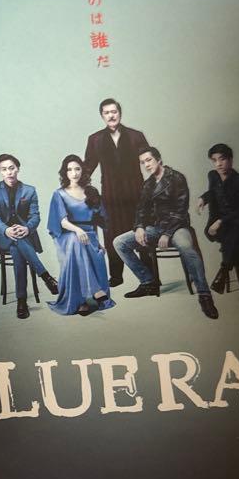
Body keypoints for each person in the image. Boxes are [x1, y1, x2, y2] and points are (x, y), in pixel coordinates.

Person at [112, 145, 219, 320]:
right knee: (119, 242)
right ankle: (148, 282)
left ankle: (204, 295)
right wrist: (139, 227)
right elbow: (141, 209)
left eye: (149, 160)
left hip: (178, 226)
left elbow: (181, 210)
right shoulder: (148, 184)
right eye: (142, 163)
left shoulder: (176, 178)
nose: (146, 165)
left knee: (186, 247)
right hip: (156, 228)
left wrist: (168, 233)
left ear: (159, 159)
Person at [82, 98, 150, 287]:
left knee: (141, 232)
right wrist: (77, 187)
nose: (111, 116)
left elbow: (149, 160)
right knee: (111, 235)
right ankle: (116, 276)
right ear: (102, 116)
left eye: (114, 111)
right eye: (107, 113)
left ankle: (150, 276)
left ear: (120, 113)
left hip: (136, 193)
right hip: (110, 196)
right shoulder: (95, 139)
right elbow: (88, 167)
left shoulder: (136, 136)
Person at [0, 153, 58, 319]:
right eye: (4, 169)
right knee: (16, 242)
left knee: (17, 248)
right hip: (2, 236)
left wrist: (27, 228)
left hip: (24, 235)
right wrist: (6, 230)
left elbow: (35, 216)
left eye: (11, 168)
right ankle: (46, 277)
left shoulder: (29, 190)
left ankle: (22, 301)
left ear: (18, 168)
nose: (9, 172)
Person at [47, 155, 114, 317]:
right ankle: (94, 290)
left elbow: (97, 221)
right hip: (67, 235)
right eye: (69, 170)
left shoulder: (91, 192)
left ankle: (83, 300)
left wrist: (98, 243)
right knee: (75, 240)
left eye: (77, 169)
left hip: (89, 236)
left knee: (83, 244)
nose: (74, 173)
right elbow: (62, 221)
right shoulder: (59, 194)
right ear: (65, 173)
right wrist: (77, 230)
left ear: (83, 171)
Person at [197, 143, 239, 311]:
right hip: (221, 227)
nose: (218, 164)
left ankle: (227, 272)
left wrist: (222, 221)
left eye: (222, 159)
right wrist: (203, 198)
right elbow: (214, 192)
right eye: (214, 160)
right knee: (235, 242)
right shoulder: (213, 176)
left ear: (231, 160)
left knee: (235, 236)